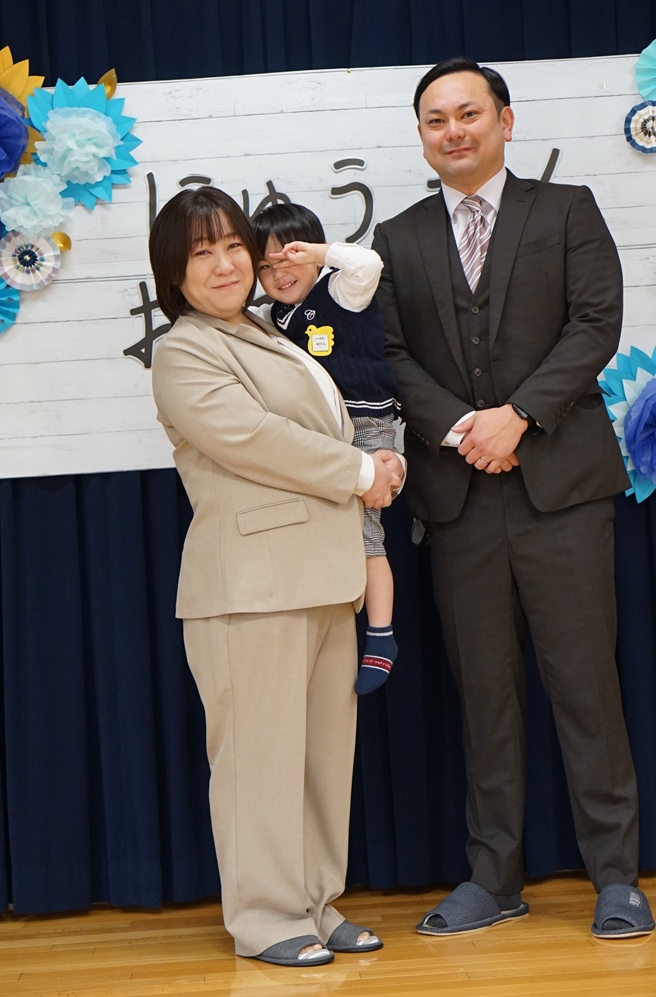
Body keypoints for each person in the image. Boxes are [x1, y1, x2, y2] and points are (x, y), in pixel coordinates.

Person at [372, 57, 655, 939]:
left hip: (562, 493)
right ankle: (493, 878)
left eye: (468, 113)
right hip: (461, 500)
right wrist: (465, 427)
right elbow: (390, 355)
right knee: (485, 696)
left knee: (586, 687)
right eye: (435, 119)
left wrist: (520, 416)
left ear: (505, 119)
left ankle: (617, 876)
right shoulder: (397, 238)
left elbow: (595, 322)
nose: (452, 130)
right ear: (421, 136)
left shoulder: (566, 210)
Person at [149, 185, 404, 966]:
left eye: (234, 245)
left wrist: (376, 459)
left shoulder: (264, 329)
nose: (226, 263)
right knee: (258, 762)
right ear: (174, 271)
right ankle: (265, 918)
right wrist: (360, 469)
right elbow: (253, 437)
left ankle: (317, 903)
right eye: (203, 252)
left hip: (324, 576)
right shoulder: (184, 349)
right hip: (251, 589)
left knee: (322, 760)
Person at [252, 203, 402, 694]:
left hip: (364, 424)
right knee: (325, 534)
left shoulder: (340, 290)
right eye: (266, 267)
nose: (280, 273)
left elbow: (369, 263)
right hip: (320, 436)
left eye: (290, 258)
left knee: (366, 534)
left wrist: (318, 254)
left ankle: (381, 635)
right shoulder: (274, 316)